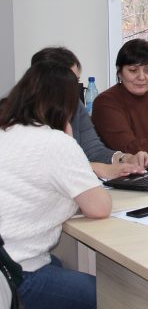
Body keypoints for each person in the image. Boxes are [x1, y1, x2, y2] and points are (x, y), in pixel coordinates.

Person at [0, 62, 112, 309]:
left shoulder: (6, 128)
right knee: (111, 295)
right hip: (15, 273)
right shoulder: (55, 142)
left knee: (58, 264)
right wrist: (68, 138)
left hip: (8, 260)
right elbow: (99, 207)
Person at [30, 47, 148, 179]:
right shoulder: (23, 114)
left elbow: (94, 151)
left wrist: (125, 158)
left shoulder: (75, 104)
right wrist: (100, 169)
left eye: (76, 81)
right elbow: (46, 166)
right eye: (67, 82)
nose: (72, 89)